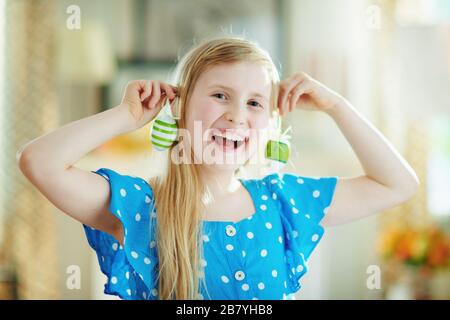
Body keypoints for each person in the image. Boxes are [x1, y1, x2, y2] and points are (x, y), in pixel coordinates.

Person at [17, 37, 419, 300]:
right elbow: (38, 162)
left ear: (271, 123)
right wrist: (125, 116)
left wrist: (337, 107)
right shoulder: (141, 206)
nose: (236, 116)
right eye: (220, 95)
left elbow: (397, 184)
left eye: (255, 103)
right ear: (180, 106)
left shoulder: (283, 203)